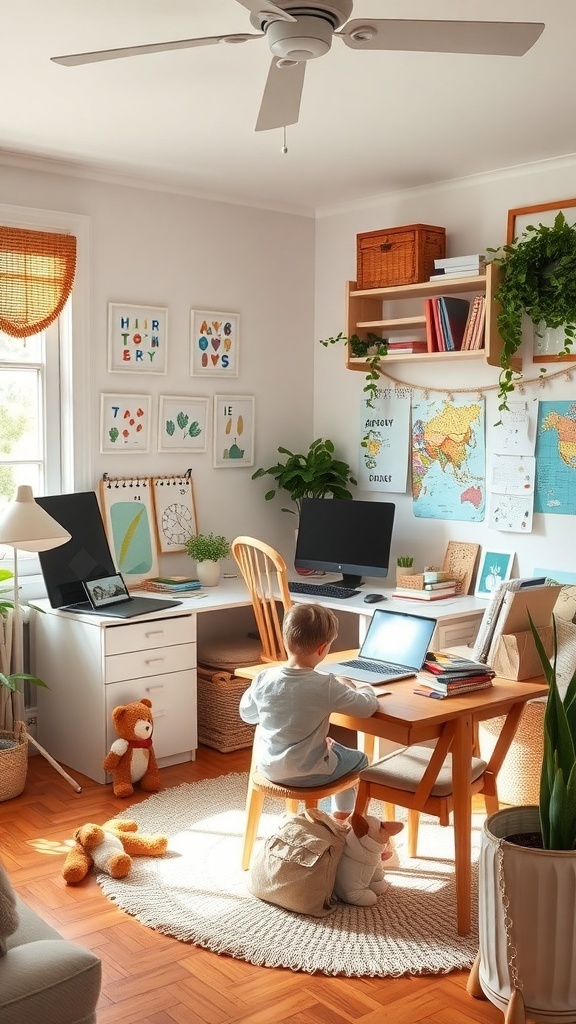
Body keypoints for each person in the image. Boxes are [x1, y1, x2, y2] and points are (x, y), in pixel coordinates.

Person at [239, 602, 379, 816]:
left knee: (332, 748)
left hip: (269, 768)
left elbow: (247, 715)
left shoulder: (264, 678)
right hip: (309, 773)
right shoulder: (327, 685)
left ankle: (330, 816)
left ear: (286, 641)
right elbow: (367, 707)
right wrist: (362, 687)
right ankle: (342, 818)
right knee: (359, 759)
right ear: (322, 648)